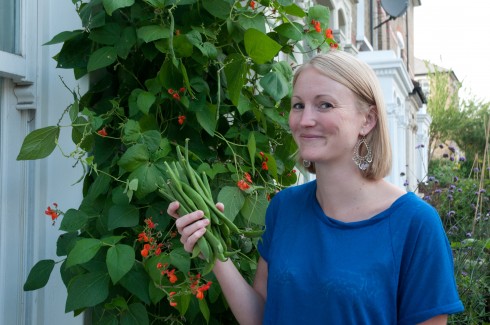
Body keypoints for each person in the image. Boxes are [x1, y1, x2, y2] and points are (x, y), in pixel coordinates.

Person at [167, 50, 464, 324]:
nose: (305, 120)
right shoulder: (284, 207)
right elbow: (262, 316)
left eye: (325, 104)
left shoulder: (415, 224)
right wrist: (213, 249)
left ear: (368, 119)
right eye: (298, 105)